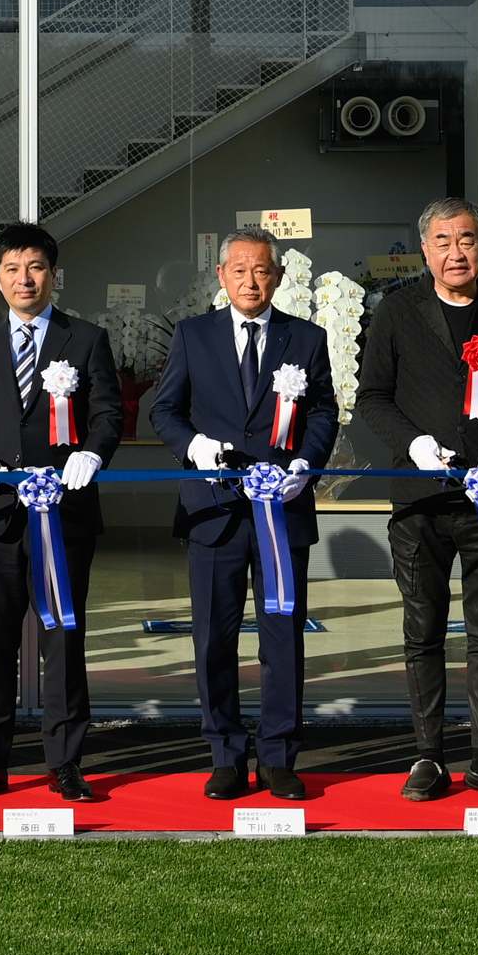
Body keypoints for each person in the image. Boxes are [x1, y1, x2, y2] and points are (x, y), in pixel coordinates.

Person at [353, 198, 478, 804]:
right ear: (425, 250)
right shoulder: (397, 311)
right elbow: (372, 397)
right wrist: (412, 442)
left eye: (466, 240)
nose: (455, 252)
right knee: (423, 630)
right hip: (420, 500)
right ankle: (429, 756)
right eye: (442, 241)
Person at [148, 228, 339, 802]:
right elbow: (165, 410)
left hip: (283, 509)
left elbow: (324, 410)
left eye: (261, 270)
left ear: (276, 277)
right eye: (239, 270)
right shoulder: (194, 334)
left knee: (283, 639)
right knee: (214, 639)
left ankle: (279, 756)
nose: (250, 281)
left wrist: (306, 463)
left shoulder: (306, 337)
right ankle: (226, 754)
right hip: (214, 512)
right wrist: (195, 447)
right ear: (222, 275)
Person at [0, 223, 123, 805]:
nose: (25, 279)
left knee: (63, 640)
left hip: (64, 516)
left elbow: (109, 413)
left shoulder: (85, 338)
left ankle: (65, 763)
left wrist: (93, 453)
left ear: (53, 275)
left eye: (36, 267)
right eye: (14, 269)